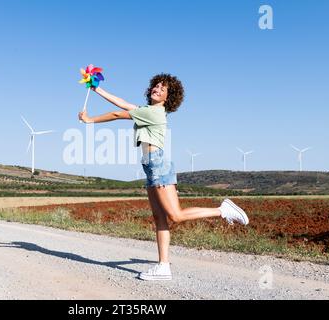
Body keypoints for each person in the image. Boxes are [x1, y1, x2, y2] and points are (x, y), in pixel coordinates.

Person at [78, 74, 249, 281]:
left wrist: (89, 120)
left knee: (175, 215)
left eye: (163, 88)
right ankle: (163, 266)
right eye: (156, 85)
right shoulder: (147, 110)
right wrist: (97, 90)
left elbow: (117, 113)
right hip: (150, 167)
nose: (157, 88)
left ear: (168, 98)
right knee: (159, 218)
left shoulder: (155, 113)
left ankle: (223, 210)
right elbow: (124, 103)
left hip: (158, 165)